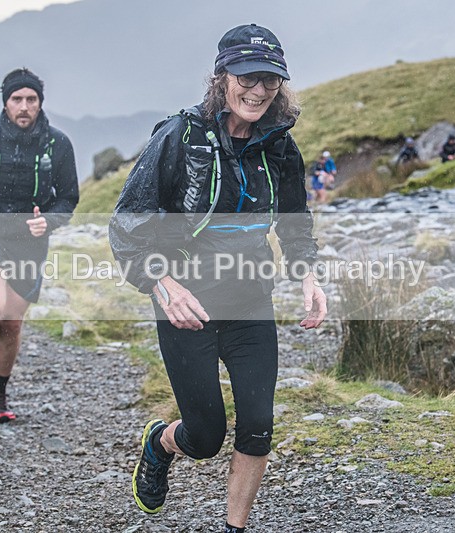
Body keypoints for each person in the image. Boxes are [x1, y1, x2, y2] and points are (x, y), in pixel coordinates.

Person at [109, 24, 327, 532]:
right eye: (246, 77)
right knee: (205, 439)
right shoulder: (180, 138)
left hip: (250, 303)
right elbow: (126, 226)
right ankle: (159, 443)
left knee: (258, 426)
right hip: (187, 308)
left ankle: (235, 528)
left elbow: (294, 221)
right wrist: (161, 284)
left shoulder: (278, 146)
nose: (257, 90)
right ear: (221, 77)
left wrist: (308, 276)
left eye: (269, 80)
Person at [0, 68, 79, 423]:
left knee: (12, 322)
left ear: (40, 103)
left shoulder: (58, 143)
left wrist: (48, 221)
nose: (24, 107)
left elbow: (68, 198)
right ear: (5, 103)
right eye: (17, 99)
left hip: (30, 240)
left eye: (31, 99)